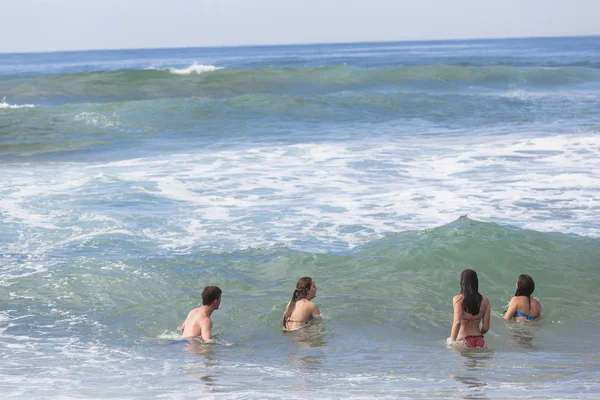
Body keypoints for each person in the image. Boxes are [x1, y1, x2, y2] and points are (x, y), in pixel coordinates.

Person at [449, 269, 491, 348]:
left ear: (462, 282)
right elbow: (486, 327)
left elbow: (457, 322)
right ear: (476, 282)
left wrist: (451, 341)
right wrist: (478, 335)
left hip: (463, 340)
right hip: (479, 340)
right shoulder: (485, 300)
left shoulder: (458, 299)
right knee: (478, 360)